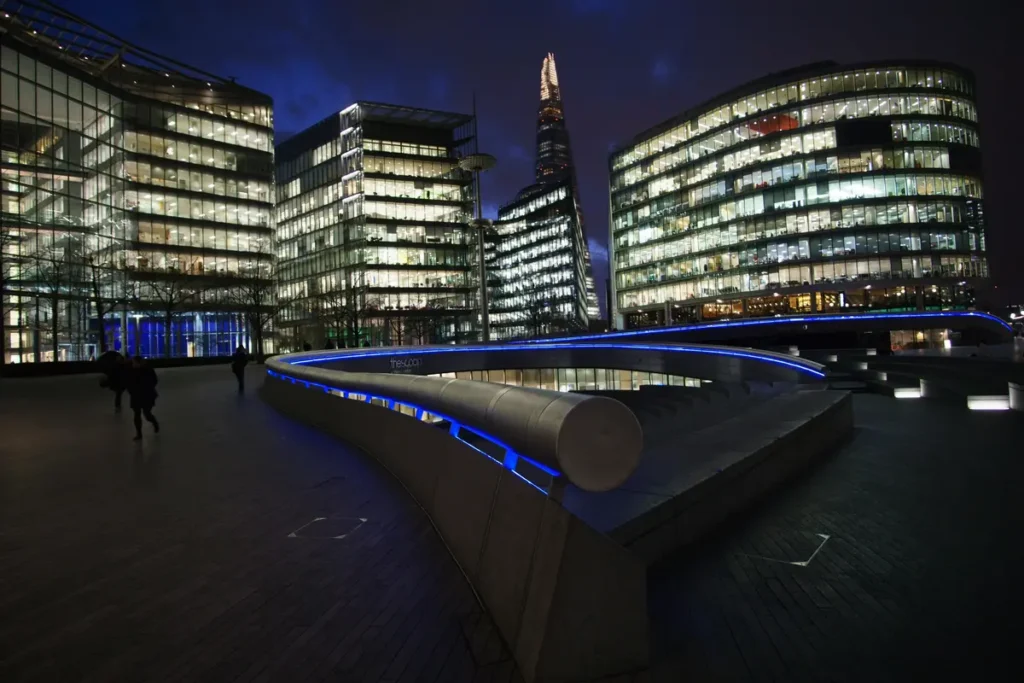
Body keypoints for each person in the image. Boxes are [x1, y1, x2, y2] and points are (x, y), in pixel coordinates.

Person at [125, 356, 160, 441]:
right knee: (137, 414)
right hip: (136, 396)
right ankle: (139, 434)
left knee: (147, 414)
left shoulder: (148, 370)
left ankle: (154, 422)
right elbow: (128, 382)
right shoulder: (131, 371)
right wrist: (131, 391)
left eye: (134, 363)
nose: (133, 364)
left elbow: (154, 381)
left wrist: (147, 388)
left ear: (139, 363)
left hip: (146, 395)